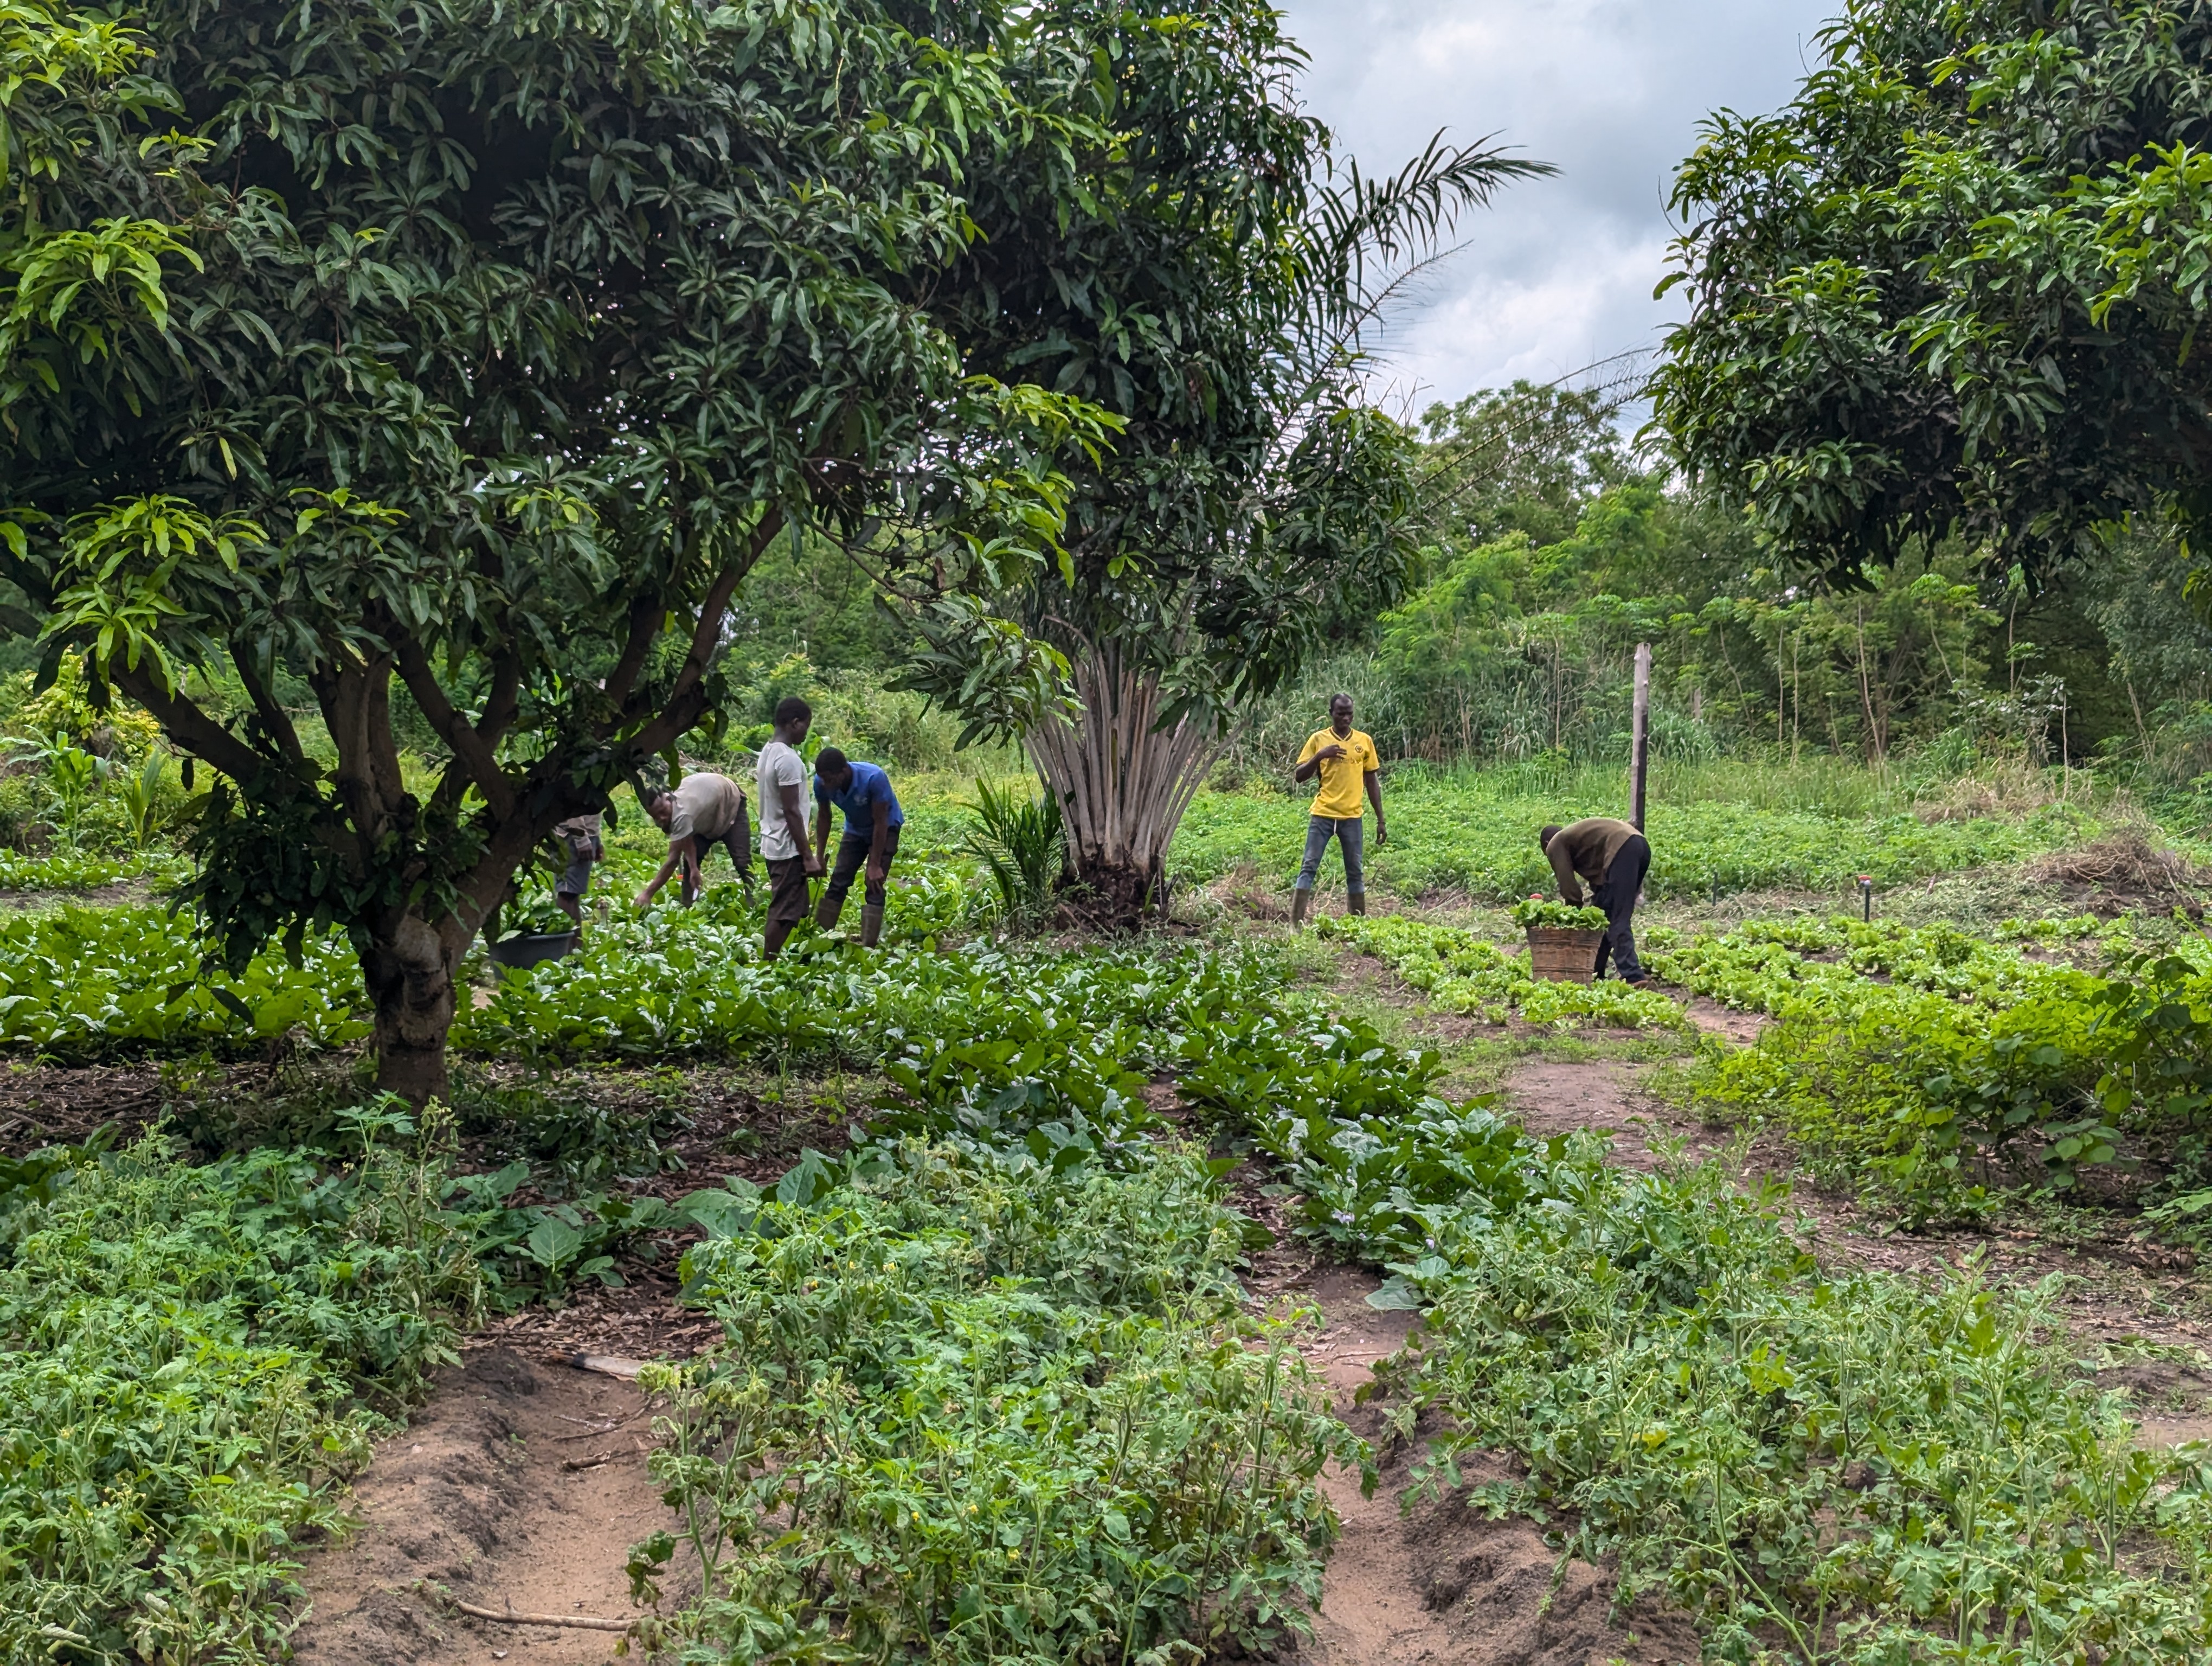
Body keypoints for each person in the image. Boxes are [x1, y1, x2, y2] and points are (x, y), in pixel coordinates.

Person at [1290, 693, 1387, 927]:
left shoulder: (1364, 741)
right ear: (1331, 713)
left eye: (1349, 714)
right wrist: (1320, 756)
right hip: (1323, 815)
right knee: (1309, 867)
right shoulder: (1318, 739)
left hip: (1352, 817)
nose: (1346, 718)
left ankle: (1357, 925)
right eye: (1341, 714)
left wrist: (1381, 819)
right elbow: (1299, 776)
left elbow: (1372, 781)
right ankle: (1295, 925)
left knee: (1355, 871)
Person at [1540, 817, 1652, 986]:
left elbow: (1569, 887)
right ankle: (1594, 971)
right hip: (1639, 846)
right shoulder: (1578, 838)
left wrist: (1571, 917)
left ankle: (1634, 977)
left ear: (1547, 843)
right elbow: (1600, 876)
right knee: (1602, 916)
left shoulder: (1555, 844)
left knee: (1616, 918)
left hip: (1622, 848)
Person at [811, 746, 903, 947]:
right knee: (839, 880)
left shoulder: (873, 778)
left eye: (829, 779)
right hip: (855, 830)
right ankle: (820, 939)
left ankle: (868, 946)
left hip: (886, 828)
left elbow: (881, 822)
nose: (825, 784)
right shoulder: (821, 782)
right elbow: (824, 816)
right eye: (823, 779)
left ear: (843, 771)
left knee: (874, 882)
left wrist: (874, 864)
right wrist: (819, 856)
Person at [755, 696, 822, 959]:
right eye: (806, 725)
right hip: (787, 846)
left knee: (790, 906)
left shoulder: (767, 752)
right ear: (795, 723)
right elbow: (792, 811)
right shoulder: (788, 759)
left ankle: (769, 960)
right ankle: (767, 963)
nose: (806, 732)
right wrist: (808, 856)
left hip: (773, 840)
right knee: (784, 912)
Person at [635, 772, 754, 909]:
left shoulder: (682, 814)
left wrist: (647, 894)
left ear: (669, 798)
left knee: (742, 862)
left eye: (663, 812)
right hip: (707, 815)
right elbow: (686, 839)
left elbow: (673, 860)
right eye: (656, 817)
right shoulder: (675, 811)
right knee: (689, 864)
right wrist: (693, 868)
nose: (661, 819)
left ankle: (753, 901)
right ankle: (688, 907)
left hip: (731, 803)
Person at [551, 811, 603, 926]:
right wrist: (581, 838)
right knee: (567, 894)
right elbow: (572, 806)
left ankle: (575, 937)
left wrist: (597, 839)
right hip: (572, 835)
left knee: (573, 895)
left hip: (585, 835)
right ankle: (564, 934)